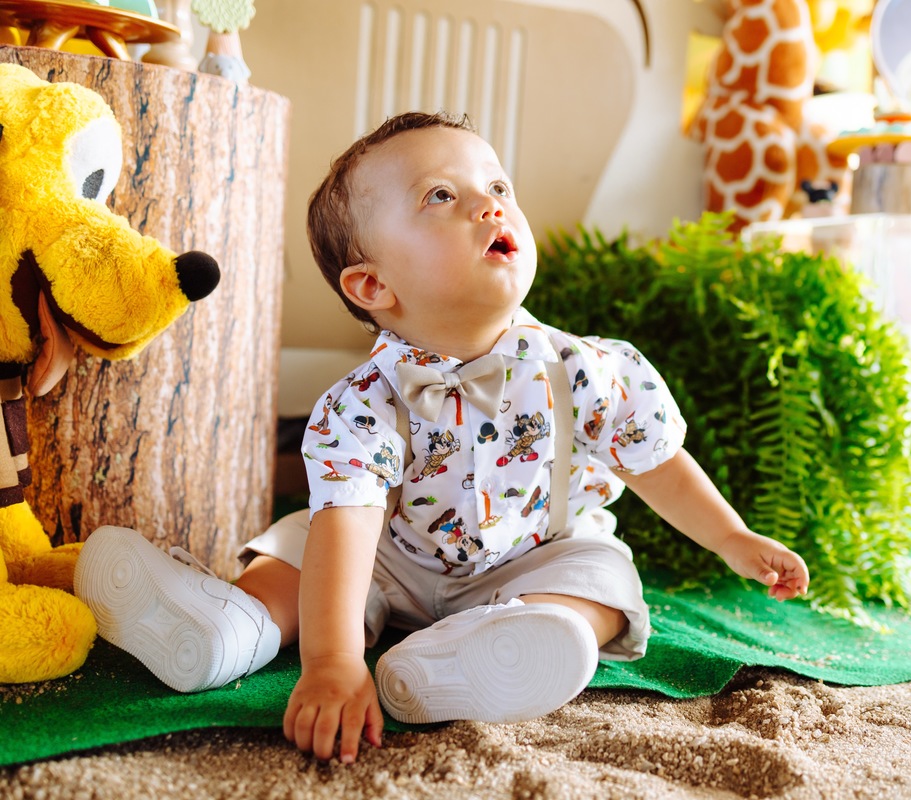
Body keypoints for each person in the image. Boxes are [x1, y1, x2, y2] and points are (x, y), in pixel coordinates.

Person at [75, 111, 809, 765]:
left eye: (497, 185)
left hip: (531, 559)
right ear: (372, 287)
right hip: (390, 557)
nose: (490, 203)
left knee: (604, 581)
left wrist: (733, 538)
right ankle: (232, 626)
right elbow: (351, 521)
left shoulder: (586, 368)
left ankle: (500, 646)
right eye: (440, 197)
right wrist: (331, 662)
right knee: (307, 546)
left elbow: (657, 463)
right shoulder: (364, 402)